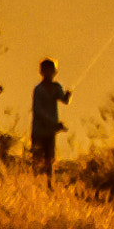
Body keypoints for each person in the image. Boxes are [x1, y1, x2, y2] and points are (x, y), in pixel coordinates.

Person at [30, 58, 71, 188]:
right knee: (36, 158)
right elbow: (38, 110)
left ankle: (49, 184)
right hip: (38, 130)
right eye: (46, 70)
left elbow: (64, 100)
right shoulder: (38, 90)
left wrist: (67, 96)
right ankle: (34, 183)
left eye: (51, 70)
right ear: (41, 72)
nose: (49, 73)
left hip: (50, 132)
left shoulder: (56, 87)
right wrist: (54, 123)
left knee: (50, 159)